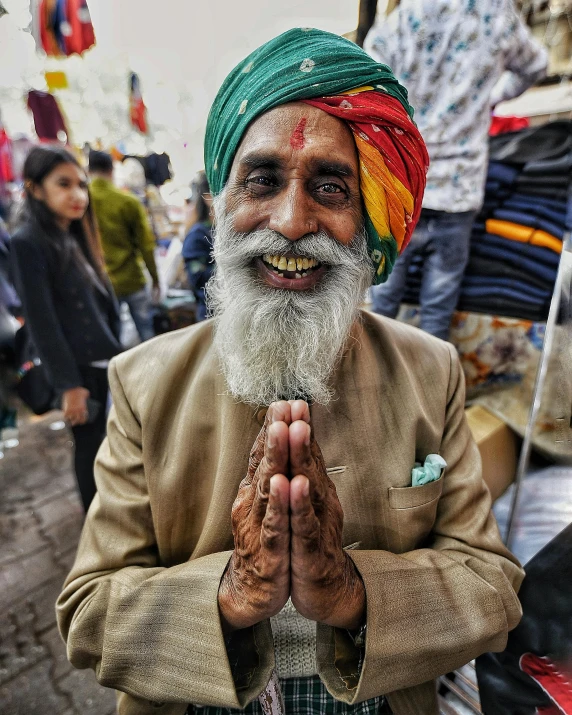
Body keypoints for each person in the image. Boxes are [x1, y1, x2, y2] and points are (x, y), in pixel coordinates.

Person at [57, 29, 523, 715]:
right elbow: (88, 611)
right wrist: (234, 591)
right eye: (263, 180)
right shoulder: (142, 381)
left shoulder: (432, 369)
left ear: (367, 220)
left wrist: (349, 590)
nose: (291, 220)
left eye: (330, 187)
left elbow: (493, 586)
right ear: (220, 202)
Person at [365, 0, 548, 340]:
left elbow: (369, 77)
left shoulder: (404, 18)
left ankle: (375, 375)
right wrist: (493, 97)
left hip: (407, 182)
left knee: (384, 293)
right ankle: (436, 381)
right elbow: (537, 63)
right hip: (459, 188)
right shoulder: (496, 14)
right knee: (439, 302)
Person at [10, 146, 121, 511]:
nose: (78, 195)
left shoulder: (71, 234)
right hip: (78, 369)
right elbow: (42, 322)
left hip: (102, 360)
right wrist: (69, 386)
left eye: (81, 185)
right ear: (35, 188)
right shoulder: (28, 242)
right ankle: (96, 531)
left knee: (105, 444)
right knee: (89, 448)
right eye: (64, 184)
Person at [88, 150, 160, 342]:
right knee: (146, 334)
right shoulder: (128, 201)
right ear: (111, 170)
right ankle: (153, 371)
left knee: (113, 336)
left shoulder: (82, 203)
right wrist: (155, 278)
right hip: (132, 278)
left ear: (88, 170)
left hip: (102, 282)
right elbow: (146, 246)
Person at [182, 171, 214, 321]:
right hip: (211, 316)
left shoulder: (221, 231)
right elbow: (198, 280)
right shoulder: (198, 235)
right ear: (208, 197)